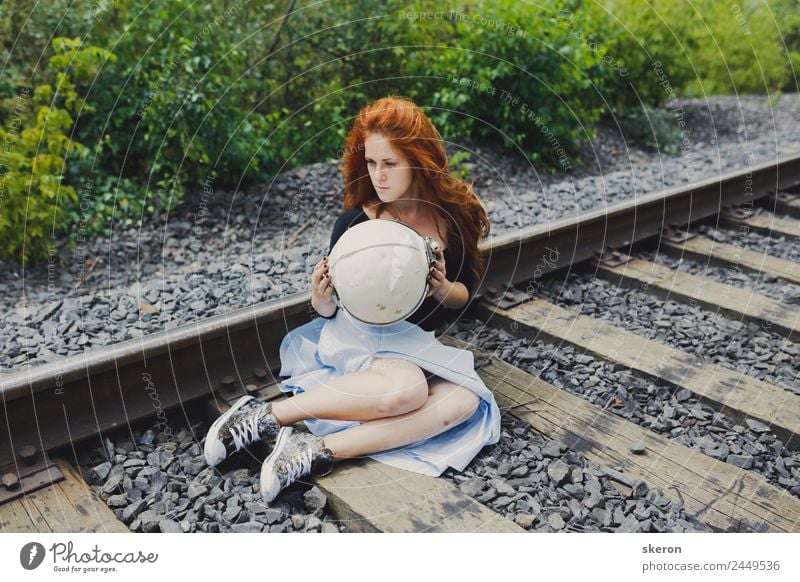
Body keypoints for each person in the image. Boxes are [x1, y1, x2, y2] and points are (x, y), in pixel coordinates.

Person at [203, 95, 501, 504]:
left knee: (466, 402)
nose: (378, 175)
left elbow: (464, 294)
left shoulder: (453, 216)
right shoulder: (357, 224)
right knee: (410, 391)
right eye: (372, 163)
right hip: (361, 336)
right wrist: (320, 300)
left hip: (414, 344)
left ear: (419, 159)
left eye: (389, 163)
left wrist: (442, 287)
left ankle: (311, 452)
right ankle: (261, 416)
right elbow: (331, 312)